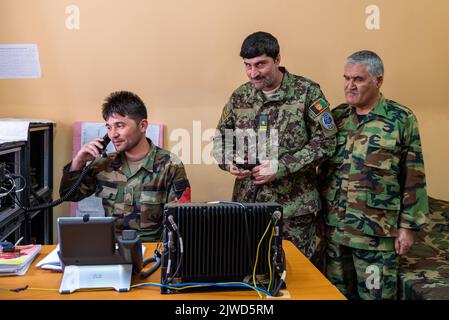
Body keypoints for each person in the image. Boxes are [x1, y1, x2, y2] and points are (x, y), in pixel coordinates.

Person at [214, 31, 337, 260]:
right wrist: (228, 161)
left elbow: (327, 142)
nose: (253, 73)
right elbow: (221, 138)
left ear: (277, 59)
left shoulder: (307, 93)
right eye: (247, 65)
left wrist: (281, 167)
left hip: (293, 211)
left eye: (260, 64)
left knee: (297, 278)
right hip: (248, 207)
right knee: (249, 270)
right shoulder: (240, 96)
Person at [319, 50, 428, 299]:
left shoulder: (401, 118)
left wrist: (408, 227)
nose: (349, 85)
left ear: (378, 80)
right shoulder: (336, 118)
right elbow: (323, 172)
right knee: (335, 296)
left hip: (376, 236)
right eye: (346, 78)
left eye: (358, 79)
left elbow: (414, 175)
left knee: (375, 297)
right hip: (336, 233)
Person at [60, 91, 191, 242]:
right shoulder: (104, 164)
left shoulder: (170, 165)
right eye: (109, 127)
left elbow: (179, 223)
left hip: (152, 252)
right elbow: (69, 195)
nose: (112, 134)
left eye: (120, 126)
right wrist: (79, 160)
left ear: (142, 126)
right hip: (112, 249)